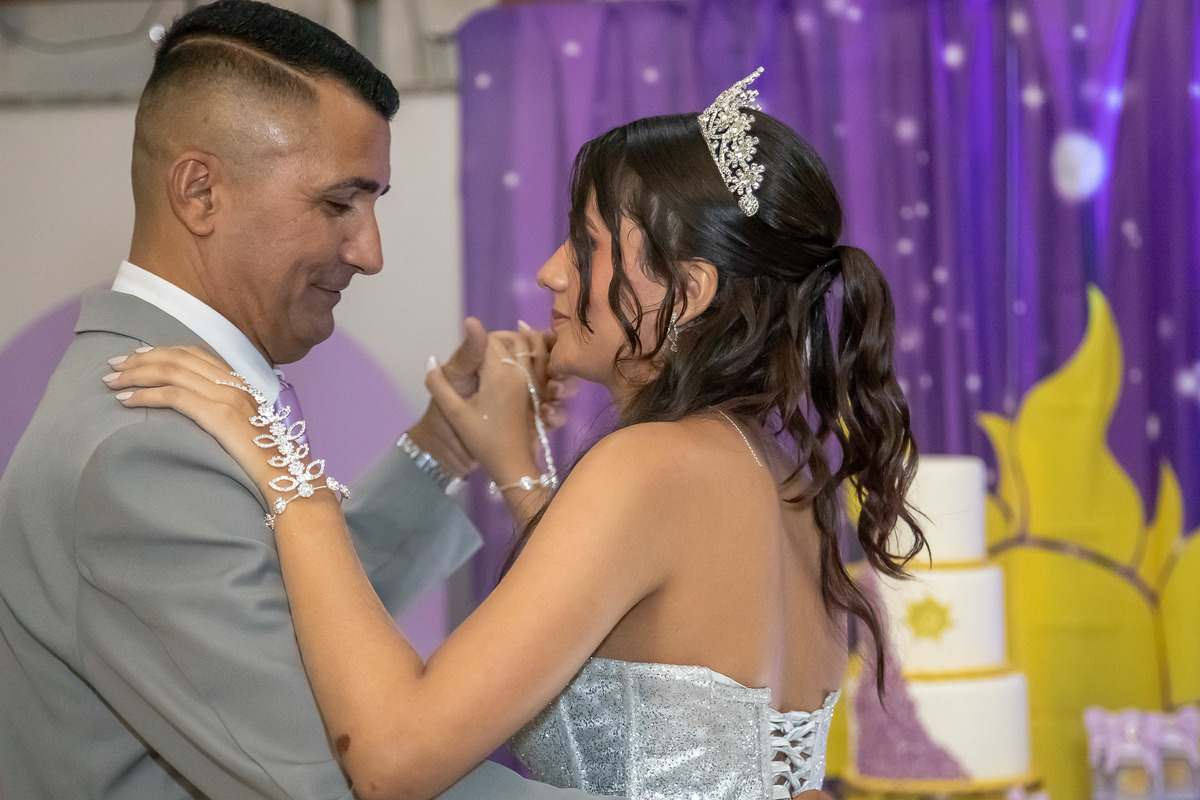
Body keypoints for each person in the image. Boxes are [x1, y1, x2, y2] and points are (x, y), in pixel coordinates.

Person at [105, 70, 923, 800]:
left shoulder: (647, 466)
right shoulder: (785, 472)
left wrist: (283, 462)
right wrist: (513, 464)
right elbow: (643, 645)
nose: (550, 271)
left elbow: (392, 760)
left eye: (587, 244)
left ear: (691, 288)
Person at [0, 2, 594, 800]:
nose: (370, 252)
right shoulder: (143, 445)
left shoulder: (164, 399)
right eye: (338, 204)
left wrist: (443, 446)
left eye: (374, 205)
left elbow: (309, 628)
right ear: (200, 192)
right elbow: (334, 769)